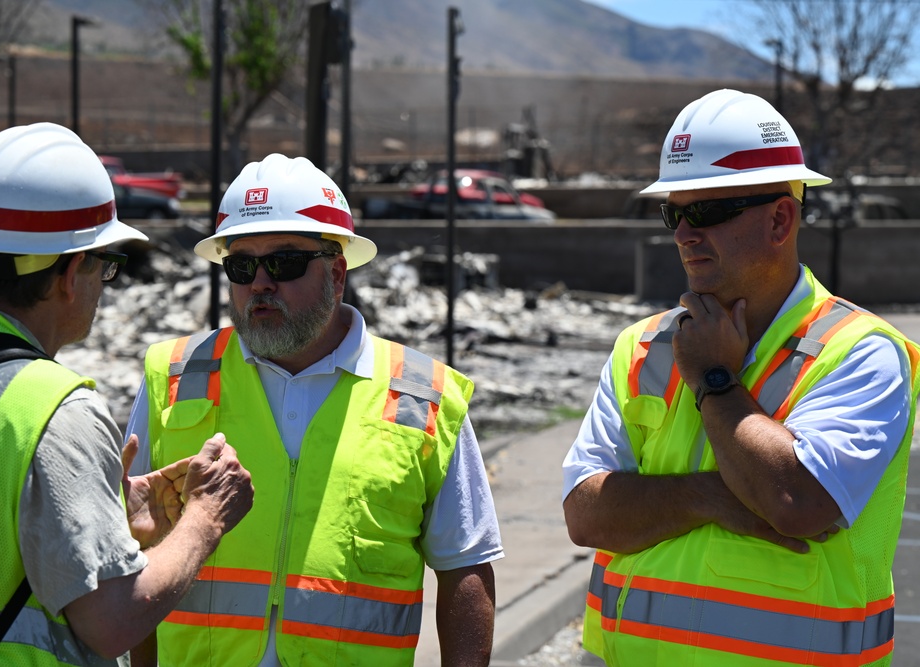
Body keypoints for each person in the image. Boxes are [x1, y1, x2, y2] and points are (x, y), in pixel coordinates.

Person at [561, 89, 920, 666]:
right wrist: (707, 497)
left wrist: (715, 377)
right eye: (674, 212)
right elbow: (585, 513)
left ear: (781, 217)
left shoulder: (862, 352)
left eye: (705, 212)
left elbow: (797, 501)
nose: (683, 233)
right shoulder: (643, 348)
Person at [125, 153, 503, 666]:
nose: (260, 282)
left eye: (284, 262)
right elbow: (134, 556)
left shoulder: (420, 395)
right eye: (242, 265)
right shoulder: (173, 376)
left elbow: (466, 566)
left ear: (338, 272)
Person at [0, 123, 254, 666]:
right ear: (73, 273)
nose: (103, 284)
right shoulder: (56, 410)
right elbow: (112, 622)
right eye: (106, 265)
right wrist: (205, 518)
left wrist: (101, 520)